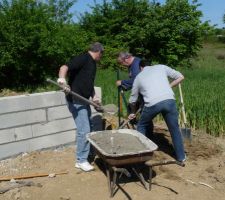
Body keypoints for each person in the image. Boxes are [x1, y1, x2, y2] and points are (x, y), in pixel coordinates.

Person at [57, 42, 104, 172]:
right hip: (76, 100)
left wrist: (94, 96)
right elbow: (64, 67)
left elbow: (89, 83)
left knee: (87, 127)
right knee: (84, 130)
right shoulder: (84, 58)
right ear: (99, 51)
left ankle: (85, 154)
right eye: (102, 54)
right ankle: (81, 160)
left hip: (85, 100)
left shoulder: (93, 64)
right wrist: (62, 81)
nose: (102, 57)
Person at [128, 60, 186, 162]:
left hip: (152, 104)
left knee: (141, 125)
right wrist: (169, 86)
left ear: (141, 68)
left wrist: (132, 112)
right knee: (174, 129)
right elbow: (181, 76)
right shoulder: (161, 67)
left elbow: (132, 100)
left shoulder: (138, 77)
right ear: (150, 65)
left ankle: (142, 153)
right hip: (169, 100)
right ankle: (181, 157)